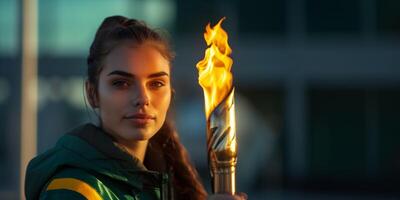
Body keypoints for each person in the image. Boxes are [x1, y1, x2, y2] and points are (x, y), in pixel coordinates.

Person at [25, 15, 246, 200]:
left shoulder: (159, 184)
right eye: (121, 83)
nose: (143, 98)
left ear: (171, 92)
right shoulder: (73, 190)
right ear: (93, 94)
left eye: (156, 83)